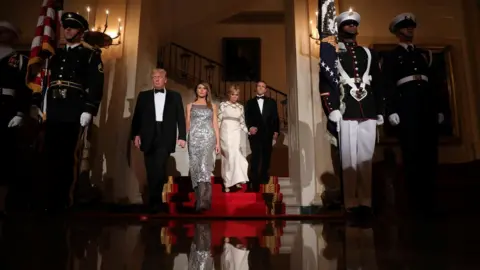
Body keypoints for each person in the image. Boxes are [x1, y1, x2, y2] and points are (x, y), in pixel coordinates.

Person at [29, 12, 104, 213]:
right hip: (53, 108)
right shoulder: (56, 55)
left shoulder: (90, 55)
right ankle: (49, 200)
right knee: (50, 155)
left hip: (73, 109)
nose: (67, 30)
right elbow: (48, 81)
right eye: (65, 26)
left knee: (67, 156)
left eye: (72, 27)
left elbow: (96, 85)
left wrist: (89, 109)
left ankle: (64, 200)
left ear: (80, 31)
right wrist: (41, 105)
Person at [319, 10, 384, 217]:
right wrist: (332, 108)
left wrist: (381, 110)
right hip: (347, 108)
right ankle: (351, 203)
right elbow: (326, 81)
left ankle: (365, 201)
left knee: (366, 157)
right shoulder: (333, 53)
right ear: (340, 28)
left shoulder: (368, 52)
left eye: (354, 24)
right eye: (347, 24)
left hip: (367, 107)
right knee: (348, 158)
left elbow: (379, 82)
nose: (351, 27)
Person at [383, 13, 445, 216]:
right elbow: (389, 85)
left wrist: (439, 109)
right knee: (412, 153)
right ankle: (415, 203)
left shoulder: (423, 54)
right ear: (398, 31)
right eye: (405, 26)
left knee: (430, 153)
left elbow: (434, 84)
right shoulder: (392, 57)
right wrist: (392, 109)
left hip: (426, 107)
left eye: (411, 26)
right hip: (407, 107)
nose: (410, 29)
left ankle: (431, 201)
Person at [131, 68, 186, 214]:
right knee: (150, 169)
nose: (156, 79)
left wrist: (182, 136)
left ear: (165, 80)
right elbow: (137, 117)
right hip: (148, 134)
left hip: (165, 134)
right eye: (154, 77)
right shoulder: (143, 96)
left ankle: (155, 200)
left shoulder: (175, 96)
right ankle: (154, 201)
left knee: (160, 167)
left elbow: (180, 117)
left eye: (159, 77)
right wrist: (135, 135)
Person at [0, 21, 31, 214]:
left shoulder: (19, 60)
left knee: (4, 158)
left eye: (6, 32)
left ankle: (2, 204)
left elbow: (24, 88)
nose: (2, 35)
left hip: (6, 110)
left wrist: (21, 113)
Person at [186, 82, 219, 212]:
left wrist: (218, 143)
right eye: (199, 87)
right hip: (194, 138)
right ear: (196, 90)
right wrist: (184, 137)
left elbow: (215, 124)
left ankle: (204, 202)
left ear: (207, 91)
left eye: (204, 88)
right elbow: (187, 124)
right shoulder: (189, 106)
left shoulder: (213, 106)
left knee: (204, 167)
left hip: (208, 138)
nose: (201, 90)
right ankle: (199, 199)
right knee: (195, 168)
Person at [244, 81, 279, 192]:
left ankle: (264, 178)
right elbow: (246, 117)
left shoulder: (271, 102)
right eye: (259, 86)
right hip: (255, 134)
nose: (260, 88)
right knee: (255, 157)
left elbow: (275, 117)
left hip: (268, 133)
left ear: (265, 90)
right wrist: (249, 128)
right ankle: (253, 181)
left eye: (263, 86)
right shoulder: (249, 103)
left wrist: (276, 131)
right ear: (256, 88)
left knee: (266, 156)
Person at [218, 85, 249, 192]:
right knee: (229, 155)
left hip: (236, 133)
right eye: (233, 94)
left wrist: (248, 131)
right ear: (229, 95)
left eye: (236, 95)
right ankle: (227, 182)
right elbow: (218, 120)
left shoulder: (240, 107)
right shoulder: (223, 105)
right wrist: (215, 134)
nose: (235, 97)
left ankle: (237, 179)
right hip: (225, 132)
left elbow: (242, 122)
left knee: (236, 154)